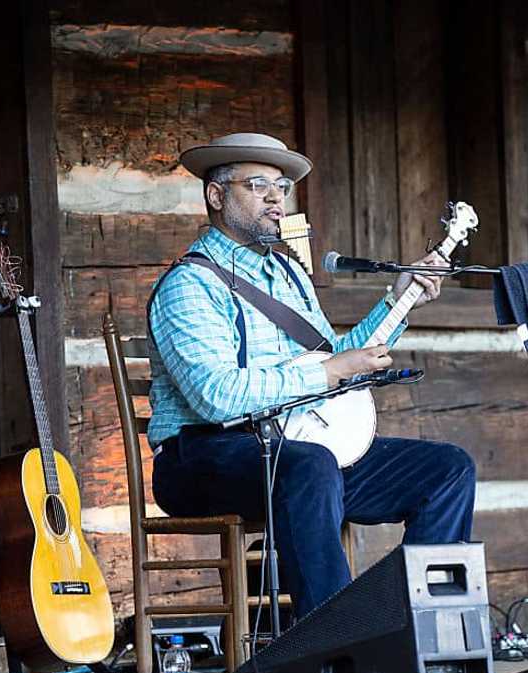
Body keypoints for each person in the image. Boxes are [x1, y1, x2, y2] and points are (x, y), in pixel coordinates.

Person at [146, 133, 476, 620]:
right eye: (258, 185)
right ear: (217, 196)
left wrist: (397, 301)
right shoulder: (189, 284)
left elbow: (331, 357)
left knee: (447, 469)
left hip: (297, 446)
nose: (277, 197)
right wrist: (329, 371)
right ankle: (334, 647)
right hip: (204, 454)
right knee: (310, 466)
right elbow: (216, 396)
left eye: (280, 186)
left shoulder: (289, 273)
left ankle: (410, 628)